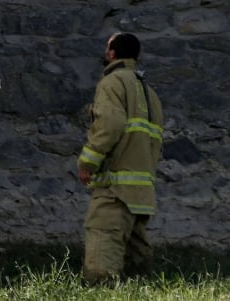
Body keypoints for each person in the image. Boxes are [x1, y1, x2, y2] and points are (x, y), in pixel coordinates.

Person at [78, 32, 164, 284]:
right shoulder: (149, 92)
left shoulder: (112, 82)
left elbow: (110, 124)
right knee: (135, 253)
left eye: (108, 47)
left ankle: (100, 292)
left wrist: (88, 162)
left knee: (103, 241)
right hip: (142, 191)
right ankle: (139, 291)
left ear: (112, 53)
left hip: (115, 187)